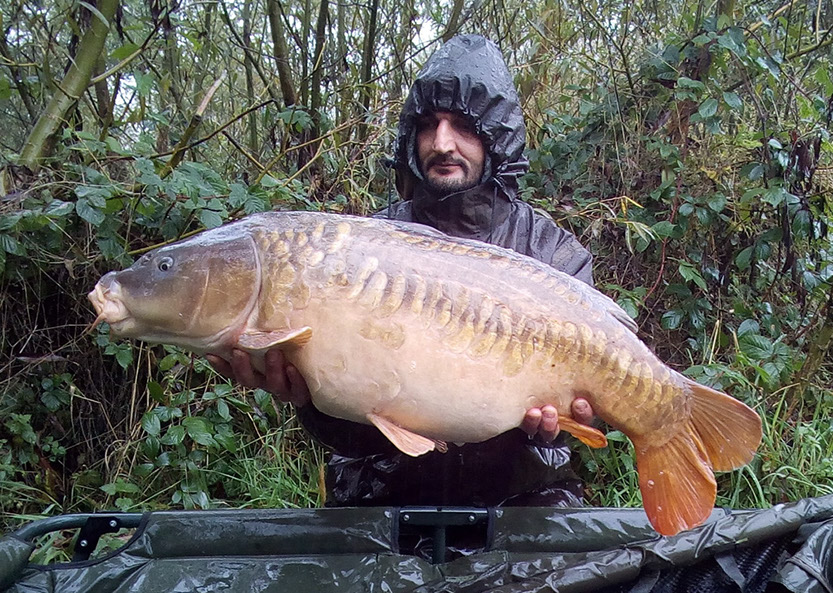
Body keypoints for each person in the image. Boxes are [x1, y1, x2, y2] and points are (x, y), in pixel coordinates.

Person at [208, 35, 596, 508]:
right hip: (384, 493)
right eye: (429, 125)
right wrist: (305, 397)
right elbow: (346, 425)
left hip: (518, 497)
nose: (442, 143)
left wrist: (558, 428)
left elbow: (580, 421)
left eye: (465, 127)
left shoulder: (552, 255)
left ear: (498, 139)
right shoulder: (363, 246)